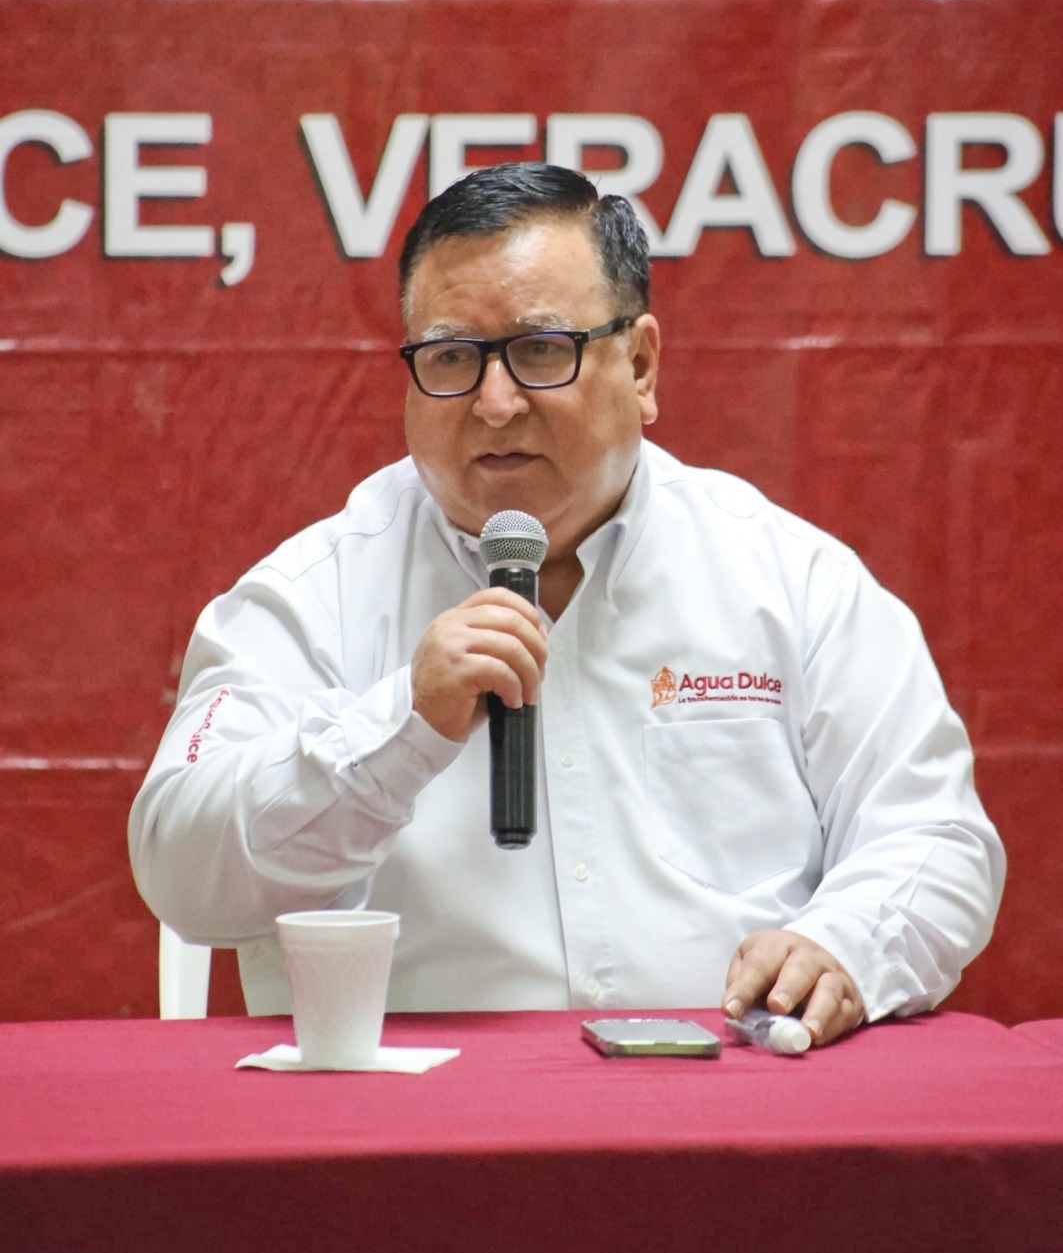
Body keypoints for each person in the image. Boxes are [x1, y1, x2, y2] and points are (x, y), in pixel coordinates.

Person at [129, 163, 1005, 1046]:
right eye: (450, 358)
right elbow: (179, 868)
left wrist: (842, 942)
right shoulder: (313, 592)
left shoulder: (787, 576)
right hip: (413, 1104)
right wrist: (402, 725)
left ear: (641, 365)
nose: (494, 404)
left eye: (541, 349)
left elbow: (935, 834)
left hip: (730, 1091)